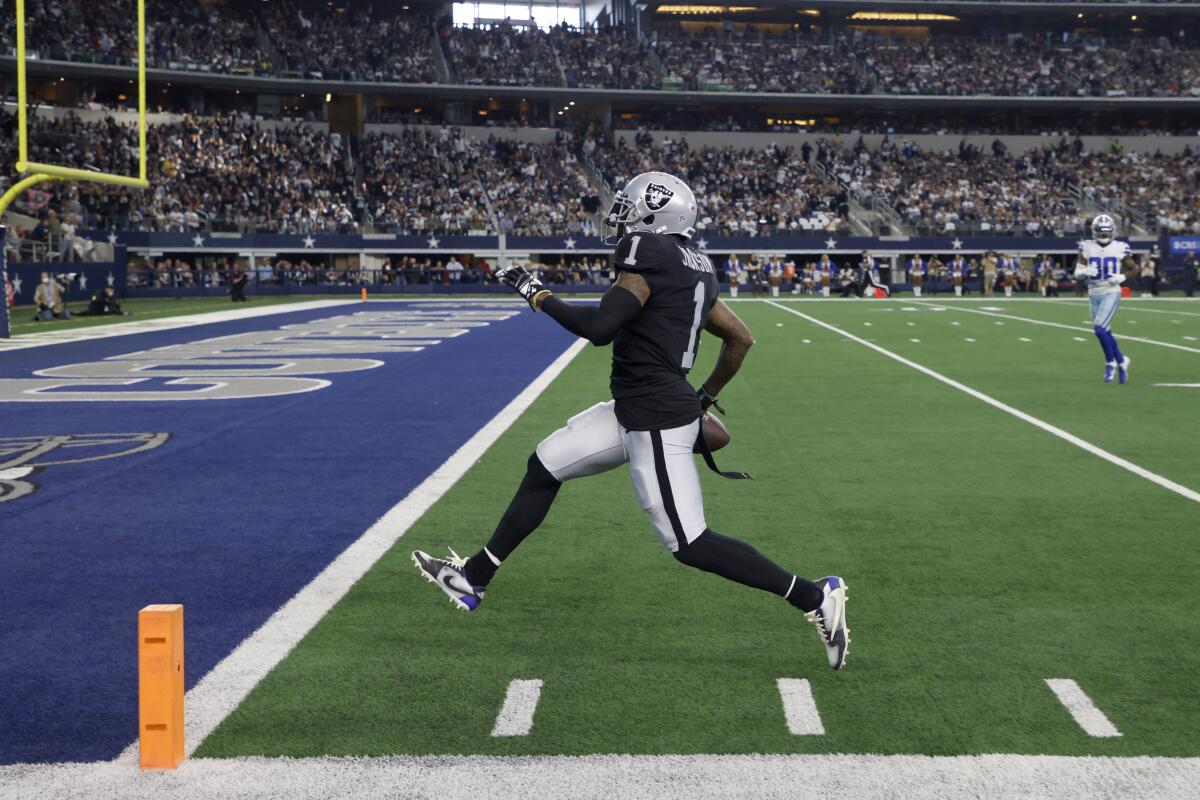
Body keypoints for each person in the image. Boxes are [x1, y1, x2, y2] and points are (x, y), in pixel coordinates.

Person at [411, 171, 850, 670]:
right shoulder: (696, 266)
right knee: (545, 467)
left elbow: (600, 329)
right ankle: (476, 577)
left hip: (655, 421)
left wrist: (537, 294)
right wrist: (704, 395)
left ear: (654, 215)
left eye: (628, 207)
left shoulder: (649, 254)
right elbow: (740, 338)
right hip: (637, 409)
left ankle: (815, 597)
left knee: (690, 543)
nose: (620, 216)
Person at [1075, 214, 1136, 384]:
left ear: (1112, 231)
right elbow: (1077, 272)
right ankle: (1122, 361)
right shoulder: (1086, 247)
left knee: (1099, 329)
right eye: (1101, 233)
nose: (1104, 236)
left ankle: (1110, 364)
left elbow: (1134, 268)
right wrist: (1083, 272)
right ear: (1095, 232)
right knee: (1105, 331)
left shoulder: (1120, 247)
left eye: (1106, 233)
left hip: (1111, 291)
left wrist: (1122, 277)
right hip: (1093, 293)